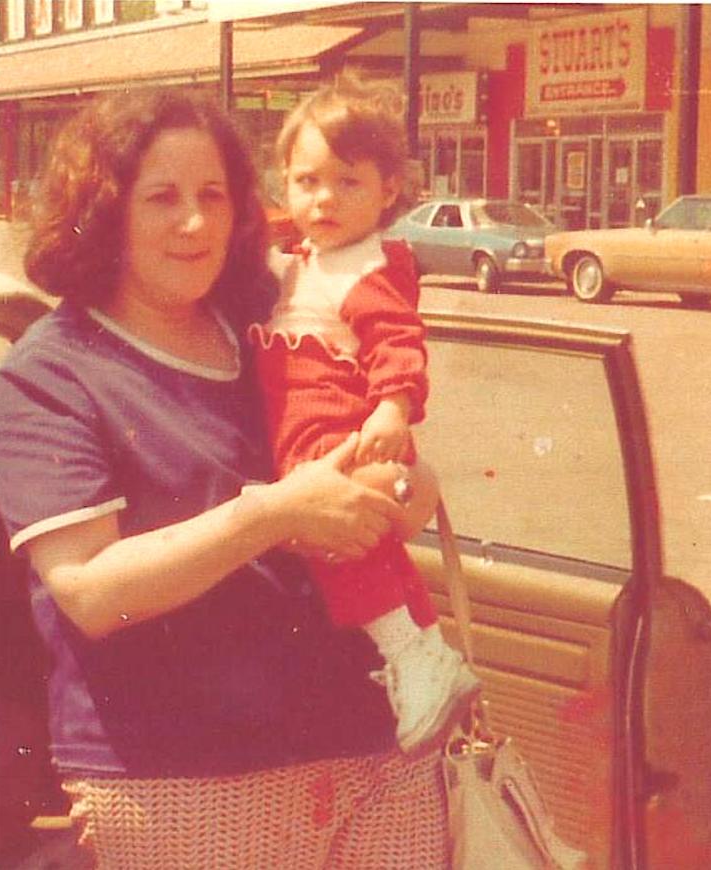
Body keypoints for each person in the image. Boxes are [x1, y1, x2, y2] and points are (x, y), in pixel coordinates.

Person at [0, 88, 449, 868]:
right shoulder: (49, 376)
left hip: (376, 752)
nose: (194, 223)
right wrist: (270, 516)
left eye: (213, 196)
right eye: (162, 198)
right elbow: (91, 592)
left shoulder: (275, 319)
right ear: (105, 210)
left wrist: (392, 489)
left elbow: (414, 488)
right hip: (185, 782)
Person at [248, 81, 479, 753]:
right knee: (365, 543)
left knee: (336, 540)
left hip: (334, 425)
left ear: (387, 191)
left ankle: (411, 652)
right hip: (304, 427)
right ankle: (426, 651)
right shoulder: (305, 259)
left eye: (347, 183)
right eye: (306, 181)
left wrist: (392, 407)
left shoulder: (368, 267)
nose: (323, 199)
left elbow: (398, 340)